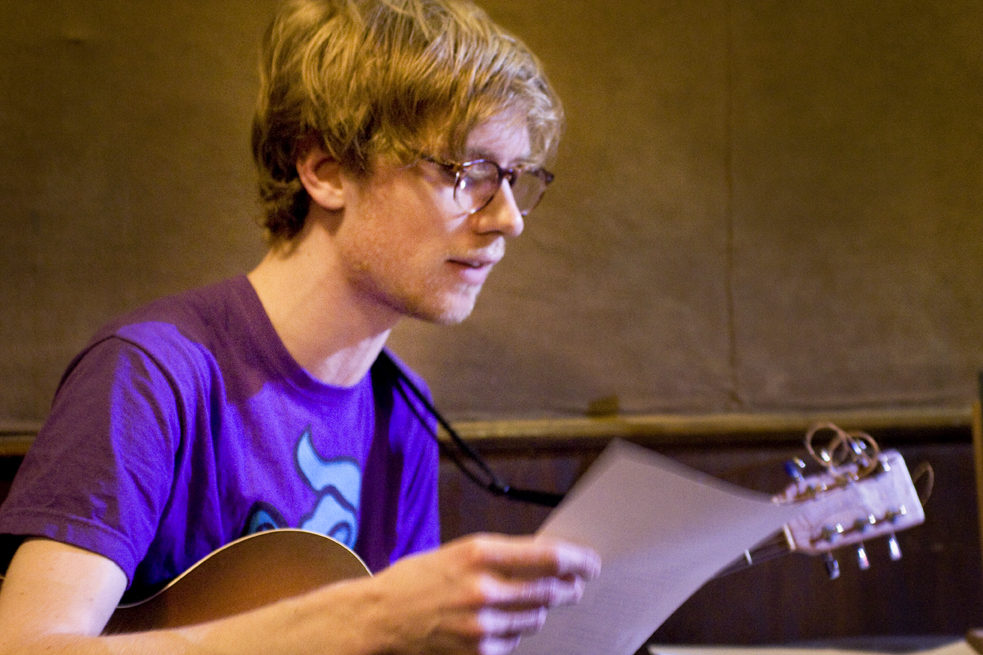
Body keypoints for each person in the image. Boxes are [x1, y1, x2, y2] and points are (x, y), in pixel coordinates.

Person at [0, 0, 601, 653]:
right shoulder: (151, 373)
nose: (507, 219)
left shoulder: (400, 409)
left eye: (514, 178)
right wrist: (363, 618)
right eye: (469, 172)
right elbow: (25, 646)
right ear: (326, 171)